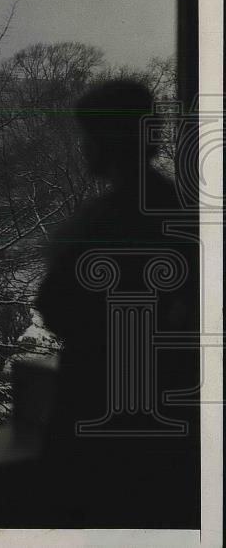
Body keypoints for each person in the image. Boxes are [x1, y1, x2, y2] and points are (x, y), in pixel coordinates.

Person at [35, 79, 200, 528]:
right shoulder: (174, 207)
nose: (84, 150)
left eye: (88, 137)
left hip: (102, 417)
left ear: (109, 139)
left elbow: (56, 303)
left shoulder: (112, 218)